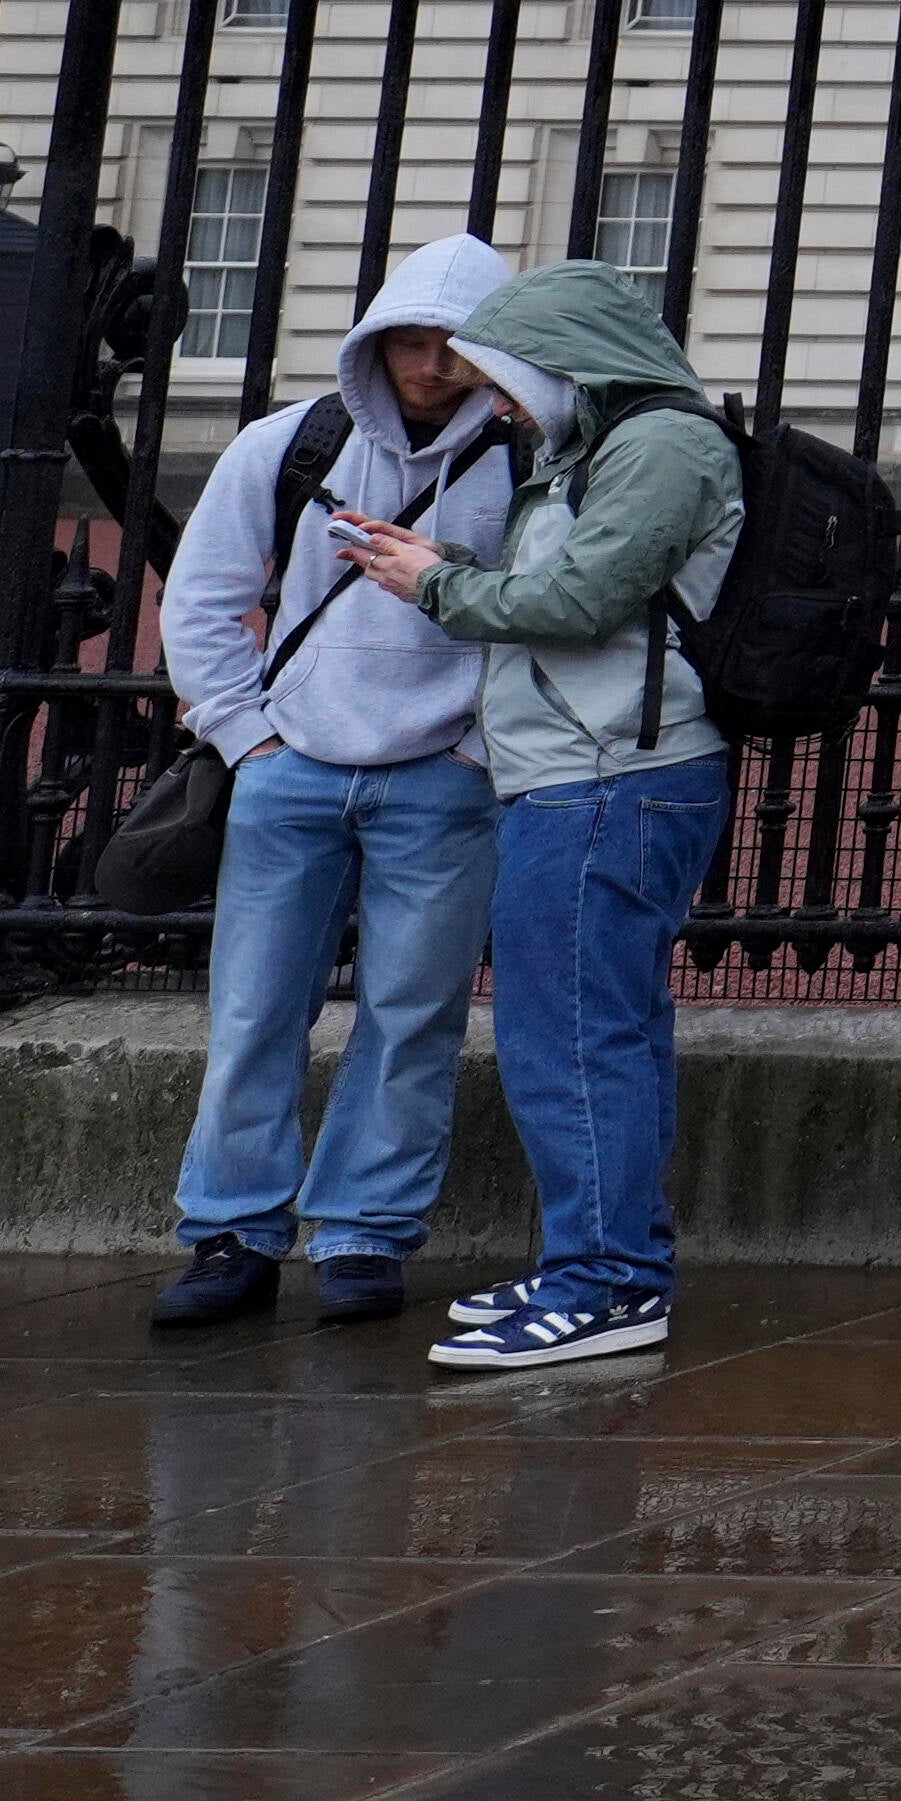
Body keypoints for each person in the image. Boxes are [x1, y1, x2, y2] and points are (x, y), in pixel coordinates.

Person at [319, 260, 747, 1381]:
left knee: (568, 1037)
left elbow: (581, 602)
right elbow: (578, 593)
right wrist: (446, 564)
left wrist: (439, 590)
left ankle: (604, 1283)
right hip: (587, 768)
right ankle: (606, 1269)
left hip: (610, 774)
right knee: (600, 1029)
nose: (497, 403)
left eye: (510, 378)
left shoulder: (659, 445)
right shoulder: (605, 444)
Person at [140, 232, 529, 1332]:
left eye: (453, 343)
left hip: (445, 776)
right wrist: (247, 737)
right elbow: (203, 597)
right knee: (255, 1012)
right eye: (409, 339)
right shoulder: (291, 441)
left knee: (413, 1016)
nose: (429, 362)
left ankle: (364, 1233)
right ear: (377, 339)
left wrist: (477, 751)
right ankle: (232, 1233)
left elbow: (539, 621)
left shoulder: (525, 461)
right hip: (291, 769)